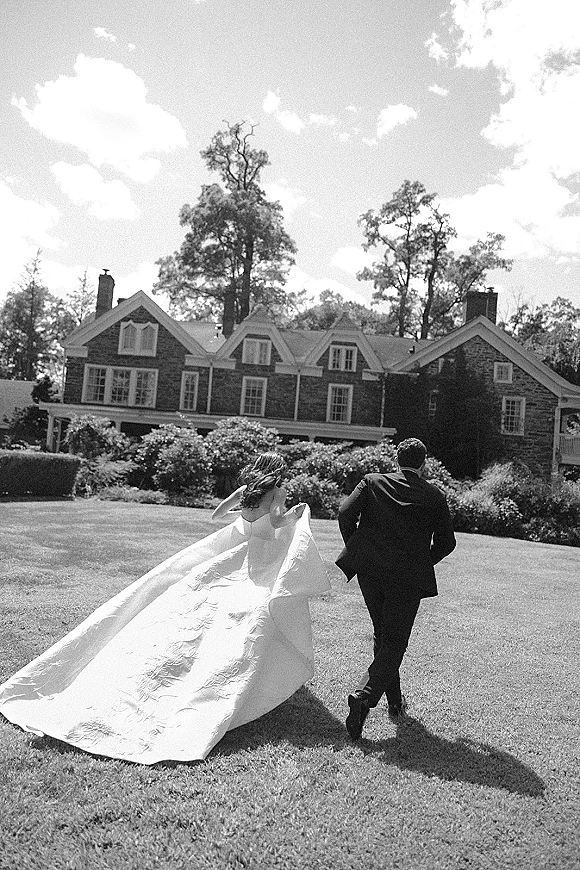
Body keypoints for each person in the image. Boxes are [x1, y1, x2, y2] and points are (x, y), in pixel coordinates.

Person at [0, 452, 330, 764]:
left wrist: (243, 516)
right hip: (257, 561)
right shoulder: (278, 491)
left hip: (232, 553)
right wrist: (296, 514)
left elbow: (217, 516)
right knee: (251, 619)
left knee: (205, 610)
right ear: (276, 470)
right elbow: (275, 523)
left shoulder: (245, 490)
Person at [336, 438, 456, 740]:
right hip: (406, 578)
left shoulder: (372, 481)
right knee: (394, 642)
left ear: (395, 458)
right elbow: (447, 543)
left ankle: (395, 703)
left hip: (370, 572)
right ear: (423, 463)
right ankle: (364, 697)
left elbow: (344, 513)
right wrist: (422, 560)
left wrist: (358, 546)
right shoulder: (434, 495)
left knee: (384, 635)